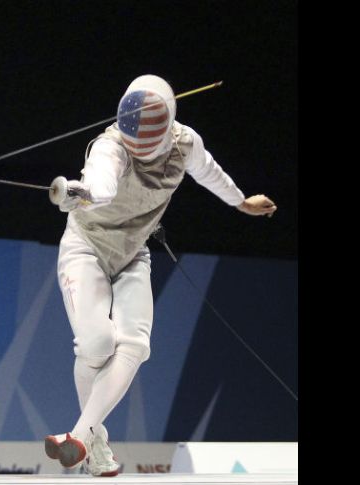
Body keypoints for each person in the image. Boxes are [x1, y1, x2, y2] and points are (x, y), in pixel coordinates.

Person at [44, 75, 276, 476]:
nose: (143, 155)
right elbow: (102, 182)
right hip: (87, 248)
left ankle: (81, 438)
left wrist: (240, 202)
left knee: (136, 343)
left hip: (134, 253)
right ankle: (92, 443)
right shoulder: (110, 146)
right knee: (97, 343)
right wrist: (81, 192)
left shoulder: (186, 143)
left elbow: (209, 171)